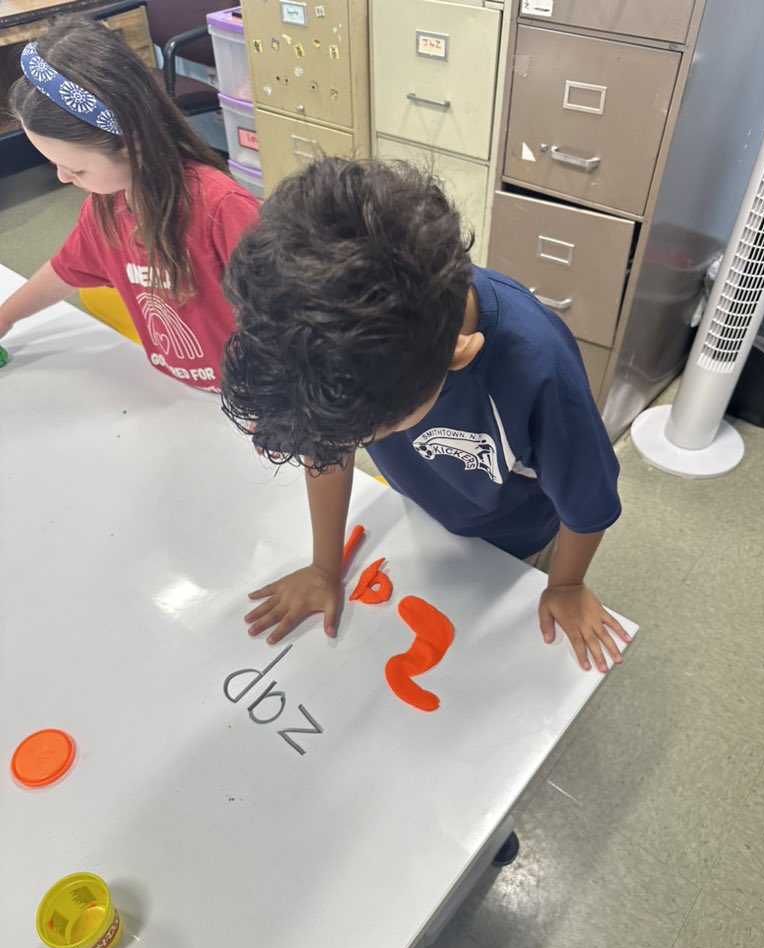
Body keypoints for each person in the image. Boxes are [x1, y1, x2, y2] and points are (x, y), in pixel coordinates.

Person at [221, 157, 632, 672]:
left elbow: (588, 503)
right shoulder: (338, 353)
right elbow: (328, 445)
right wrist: (325, 568)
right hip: (429, 513)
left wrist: (566, 584)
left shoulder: (539, 369)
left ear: (458, 357)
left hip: (515, 541)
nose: (344, 446)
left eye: (365, 434)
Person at [0, 17, 259, 391]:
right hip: (178, 392)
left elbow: (279, 318)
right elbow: (66, 270)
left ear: (133, 144)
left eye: (75, 168)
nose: (61, 178)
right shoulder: (104, 210)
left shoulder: (222, 208)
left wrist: (273, 402)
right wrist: (6, 317)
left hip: (247, 396)